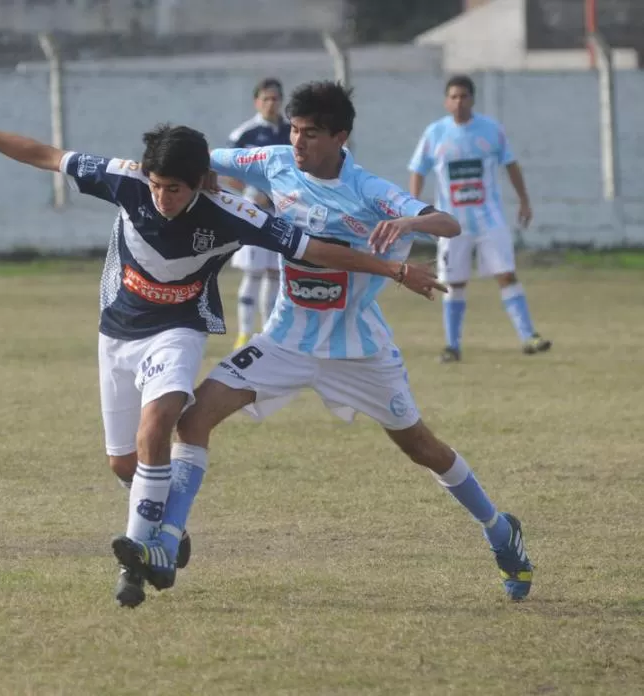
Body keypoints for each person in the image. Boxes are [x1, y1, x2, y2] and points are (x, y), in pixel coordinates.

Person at [0, 111, 444, 607]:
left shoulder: (231, 213)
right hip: (116, 331)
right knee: (125, 462)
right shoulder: (124, 179)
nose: (163, 197)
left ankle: (137, 565)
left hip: (180, 330)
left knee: (158, 425)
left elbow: (312, 249)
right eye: (158, 186)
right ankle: (168, 527)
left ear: (201, 182)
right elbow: (44, 154)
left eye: (176, 189)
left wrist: (393, 269)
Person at [111, 81, 534, 604]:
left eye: (310, 132)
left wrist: (407, 219)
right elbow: (200, 158)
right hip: (284, 340)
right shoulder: (273, 161)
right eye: (294, 129)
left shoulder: (368, 189)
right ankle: (167, 543)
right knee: (193, 419)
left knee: (421, 447)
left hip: (358, 350)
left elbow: (446, 222)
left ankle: (498, 528)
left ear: (341, 136)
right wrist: (206, 184)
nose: (298, 140)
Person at [408, 74, 552, 363]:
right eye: (454, 97)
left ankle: (528, 337)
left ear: (472, 99)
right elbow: (417, 170)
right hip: (451, 223)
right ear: (446, 101)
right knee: (453, 282)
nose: (459, 102)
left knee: (506, 274)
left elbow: (510, 164)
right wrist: (415, 210)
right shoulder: (435, 133)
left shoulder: (491, 130)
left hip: (489, 219)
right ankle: (452, 346)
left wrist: (524, 200)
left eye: (464, 96)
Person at [224, 78, 292, 349]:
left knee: (275, 273)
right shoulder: (245, 134)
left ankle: (268, 333)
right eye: (266, 99)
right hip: (252, 211)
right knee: (252, 273)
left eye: (276, 99)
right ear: (257, 102)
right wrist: (253, 192)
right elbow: (227, 171)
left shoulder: (290, 132)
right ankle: (243, 333)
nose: (271, 103)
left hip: (283, 211)